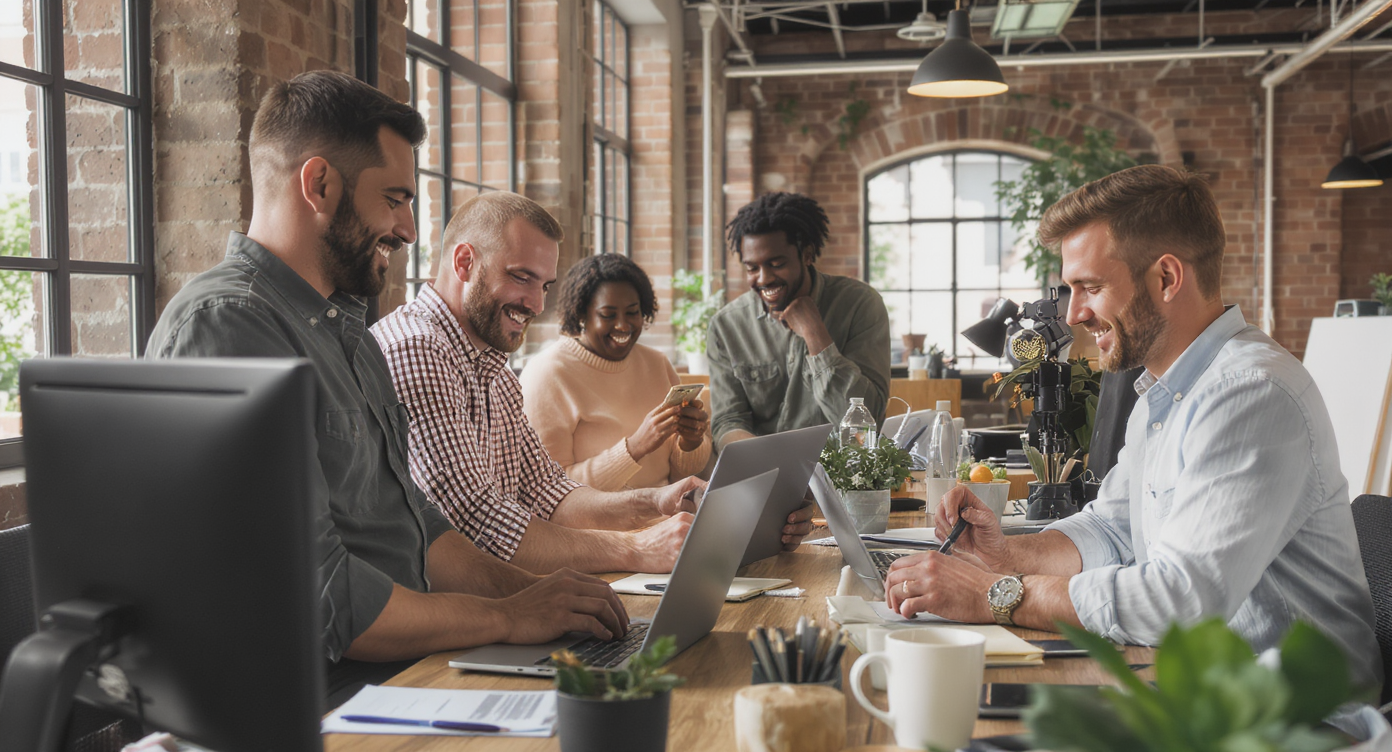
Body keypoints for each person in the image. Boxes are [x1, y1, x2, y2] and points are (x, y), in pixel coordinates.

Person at [146, 71, 628, 703]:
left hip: (403, 669)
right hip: (319, 699)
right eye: (395, 199)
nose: (407, 229)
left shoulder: (349, 331)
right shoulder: (230, 325)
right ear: (318, 184)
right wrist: (510, 618)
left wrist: (533, 596)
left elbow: (419, 531)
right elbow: (327, 600)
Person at [883, 164, 1382, 692]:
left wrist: (995, 593)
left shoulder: (1251, 393)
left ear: (1166, 278)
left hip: (1292, 722)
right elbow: (1111, 530)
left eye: (1090, 287)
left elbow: (1181, 601)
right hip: (1193, 693)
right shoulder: (1163, 389)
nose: (1073, 314)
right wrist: (1004, 553)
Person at [371, 193, 814, 573]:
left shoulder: (492, 366)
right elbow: (477, 521)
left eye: (544, 285)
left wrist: (658, 502)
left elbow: (549, 493)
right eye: (521, 277)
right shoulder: (418, 348)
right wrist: (636, 548)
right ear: (465, 262)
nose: (536, 303)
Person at [708, 192, 891, 450]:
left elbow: (867, 424)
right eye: (752, 268)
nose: (763, 279)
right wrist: (772, 459)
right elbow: (727, 422)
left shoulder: (860, 305)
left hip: (842, 479)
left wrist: (816, 335)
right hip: (762, 473)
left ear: (806, 254)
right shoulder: (726, 326)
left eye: (777, 263)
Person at [519, 253, 712, 491]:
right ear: (581, 314)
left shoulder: (657, 364)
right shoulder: (547, 375)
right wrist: (635, 447)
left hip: (667, 514)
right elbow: (550, 490)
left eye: (632, 312)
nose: (622, 325)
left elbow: (681, 477)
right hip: (596, 525)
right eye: (608, 315)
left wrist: (691, 442)